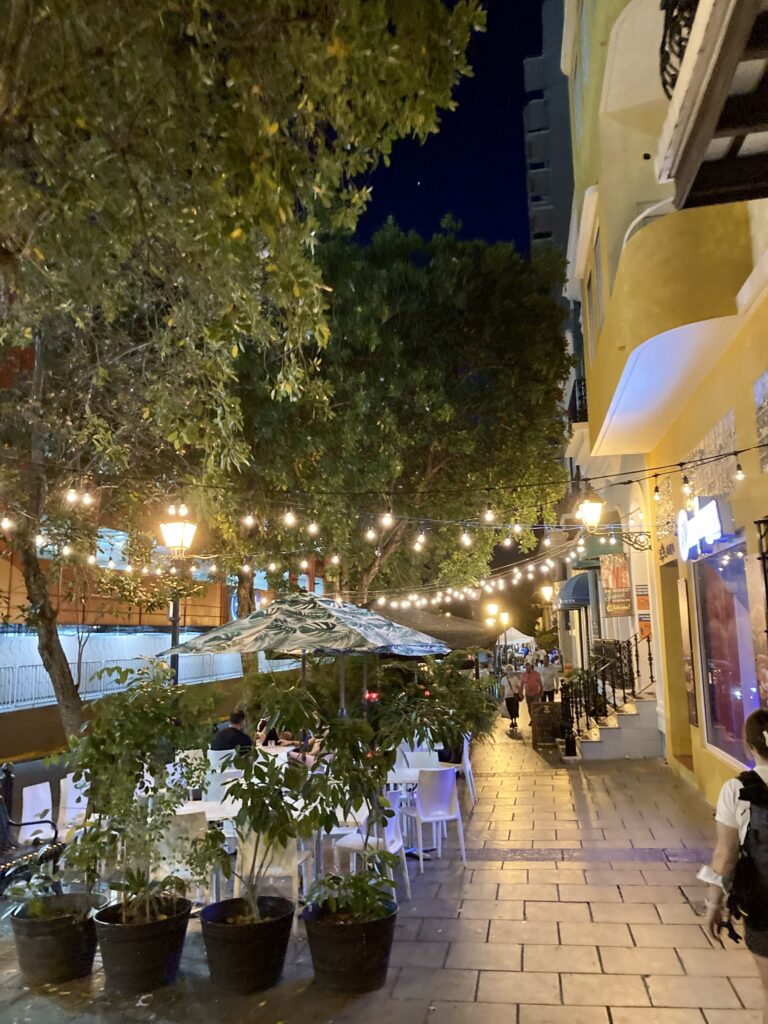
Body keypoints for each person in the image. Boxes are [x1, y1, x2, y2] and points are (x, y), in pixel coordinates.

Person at [702, 708, 768, 1020]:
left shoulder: (736, 790)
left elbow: (725, 855)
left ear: (749, 746)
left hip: (763, 902)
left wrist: (713, 904)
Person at [502, 665, 521, 730]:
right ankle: (512, 721)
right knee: (509, 709)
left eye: (510, 669)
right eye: (508, 669)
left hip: (514, 696)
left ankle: (514, 721)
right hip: (507, 696)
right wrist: (503, 696)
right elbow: (503, 688)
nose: (509, 671)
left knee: (515, 709)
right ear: (506, 671)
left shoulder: (515, 678)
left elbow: (518, 687)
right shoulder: (504, 679)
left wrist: (520, 694)